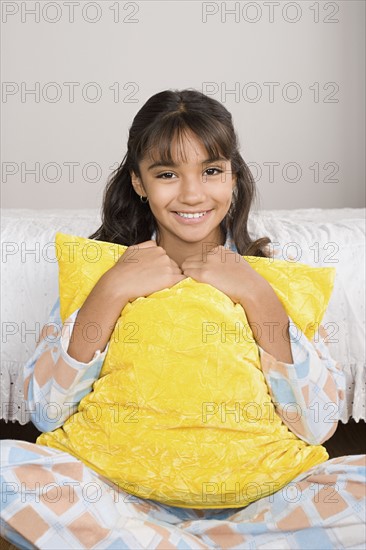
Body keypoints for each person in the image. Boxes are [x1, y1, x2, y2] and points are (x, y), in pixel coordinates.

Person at [1, 89, 364, 549]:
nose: (192, 194)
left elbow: (318, 424)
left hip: (257, 505)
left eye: (211, 171)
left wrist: (257, 295)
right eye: (167, 174)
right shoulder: (100, 272)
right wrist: (110, 290)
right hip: (119, 499)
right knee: (6, 470)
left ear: (232, 177)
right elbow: (46, 413)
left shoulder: (279, 278)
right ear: (139, 182)